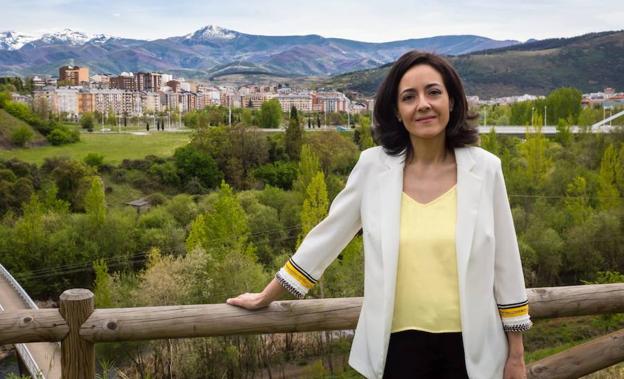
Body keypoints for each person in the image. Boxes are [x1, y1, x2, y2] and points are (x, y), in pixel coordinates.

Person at [227, 51, 532, 379]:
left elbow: (506, 263)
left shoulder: (485, 169)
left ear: (453, 102)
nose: (423, 104)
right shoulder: (373, 168)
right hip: (396, 351)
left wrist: (516, 354)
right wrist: (266, 295)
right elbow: (326, 239)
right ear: (397, 112)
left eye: (433, 92)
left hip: (474, 353)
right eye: (409, 97)